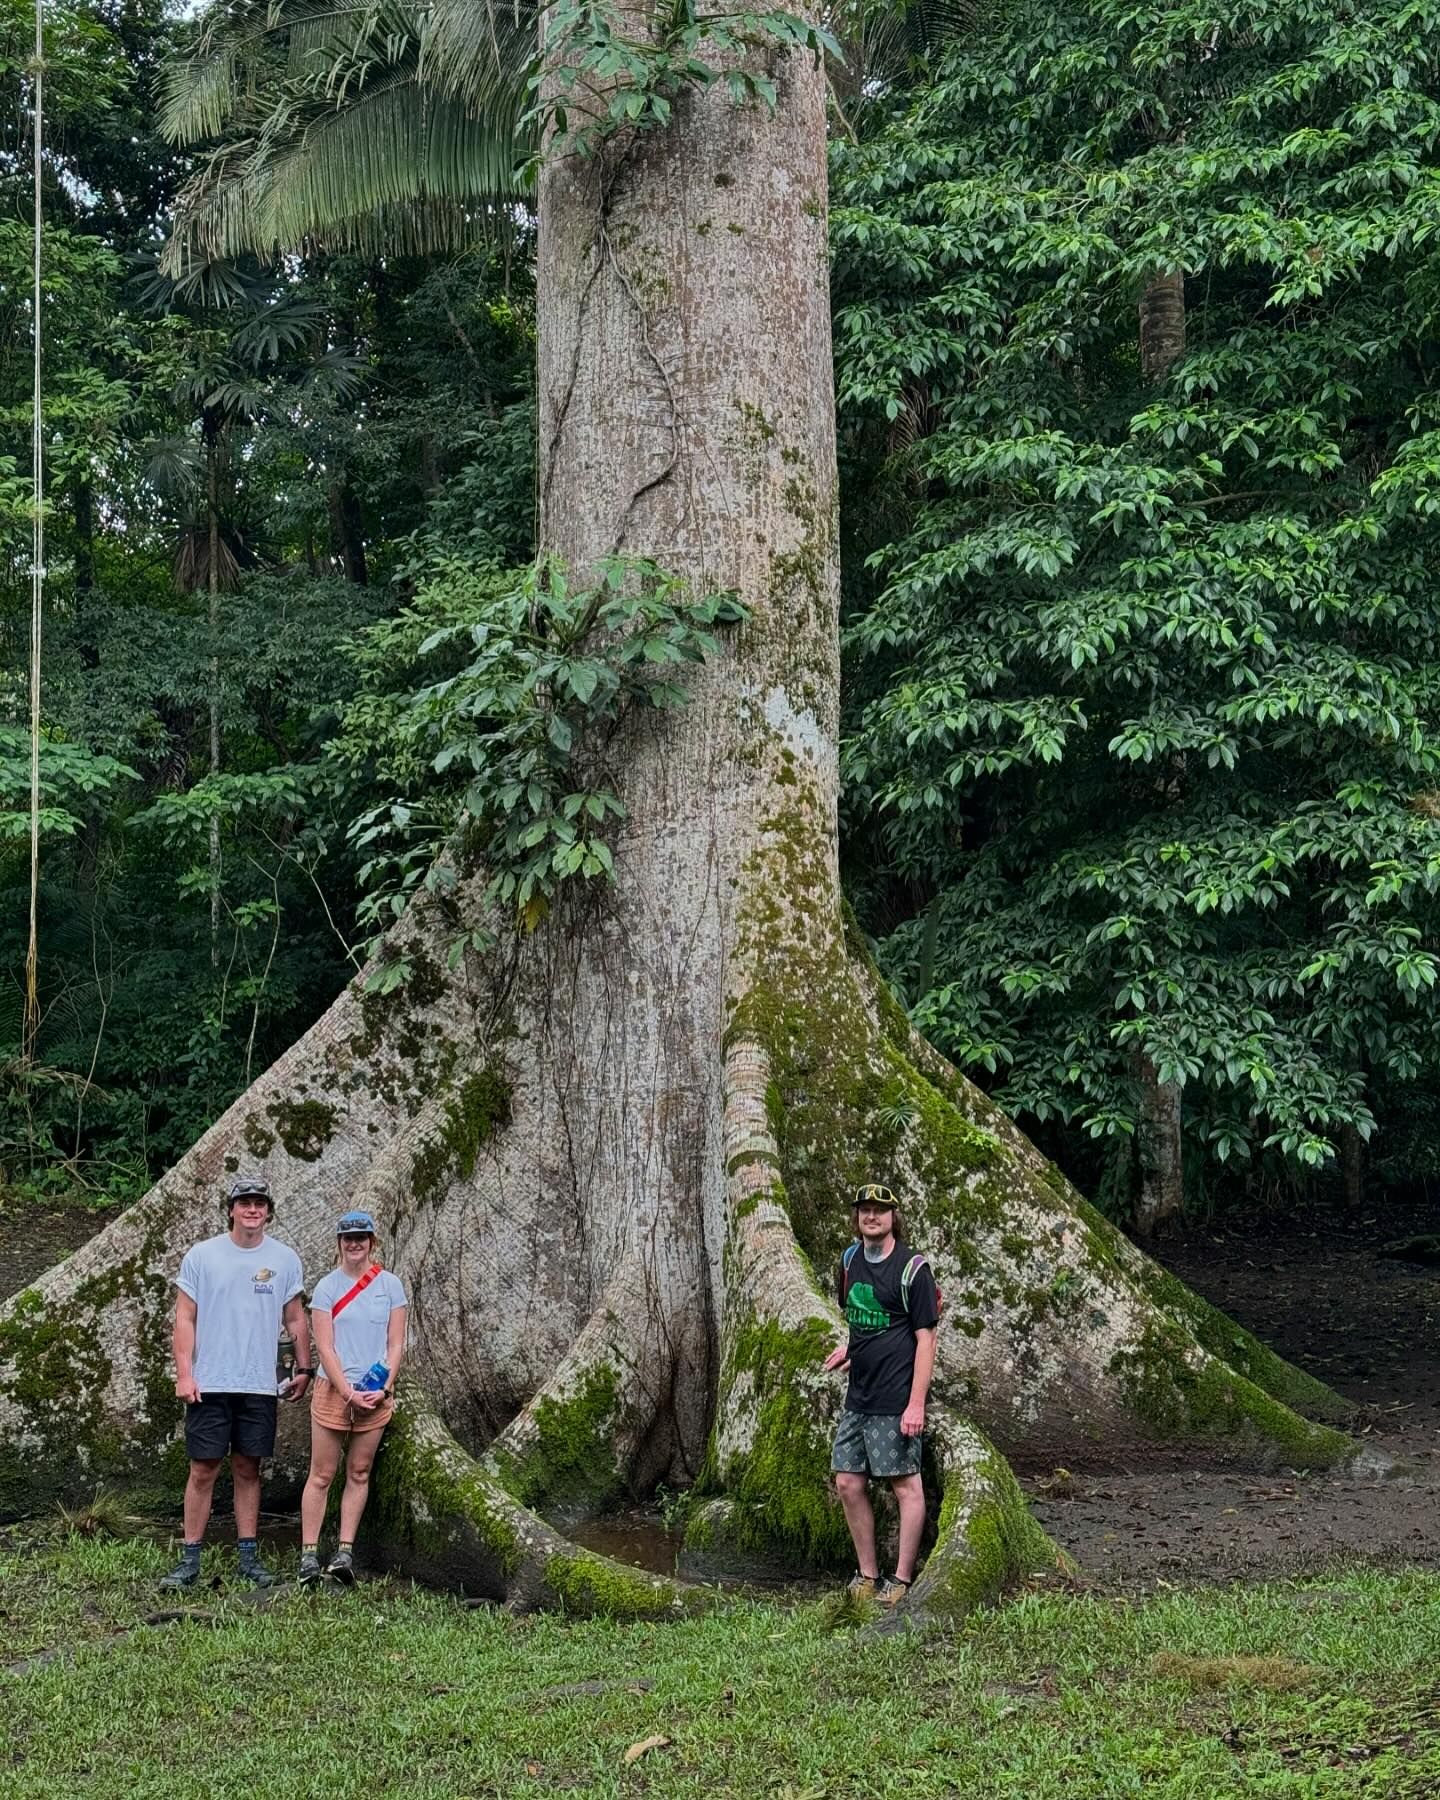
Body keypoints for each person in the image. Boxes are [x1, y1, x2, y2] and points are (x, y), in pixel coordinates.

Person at [161, 1176, 312, 1589]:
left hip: (259, 1384)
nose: (252, 1209)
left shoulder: (284, 1259)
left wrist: (303, 1368)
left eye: (259, 1203)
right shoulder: (203, 1256)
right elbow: (184, 1317)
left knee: (249, 1468)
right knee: (203, 1469)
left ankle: (248, 1556)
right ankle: (190, 1558)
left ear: (268, 1210)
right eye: (244, 1202)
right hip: (210, 1382)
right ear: (231, 1208)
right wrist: (185, 1374)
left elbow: (295, 1317)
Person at [823, 1181, 939, 1607]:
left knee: (905, 1485)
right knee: (848, 1482)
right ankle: (867, 1573)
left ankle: (902, 1578)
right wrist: (851, 1349)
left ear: (894, 1218)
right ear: (857, 1218)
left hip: (896, 1396)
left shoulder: (912, 1270)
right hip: (859, 1396)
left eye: (880, 1210)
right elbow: (859, 1315)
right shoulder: (851, 1260)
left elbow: (925, 1340)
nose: (871, 1216)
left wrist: (915, 1404)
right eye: (864, 1210)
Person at [298, 1209, 407, 1584]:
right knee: (322, 1474)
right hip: (334, 1391)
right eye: (348, 1238)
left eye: (361, 1237)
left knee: (358, 1472)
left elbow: (395, 1343)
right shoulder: (327, 1288)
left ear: (372, 1242)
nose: (355, 1243)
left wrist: (384, 1387)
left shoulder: (390, 1285)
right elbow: (324, 1348)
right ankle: (309, 1555)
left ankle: (345, 1552)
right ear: (339, 1243)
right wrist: (347, 1392)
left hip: (375, 1392)